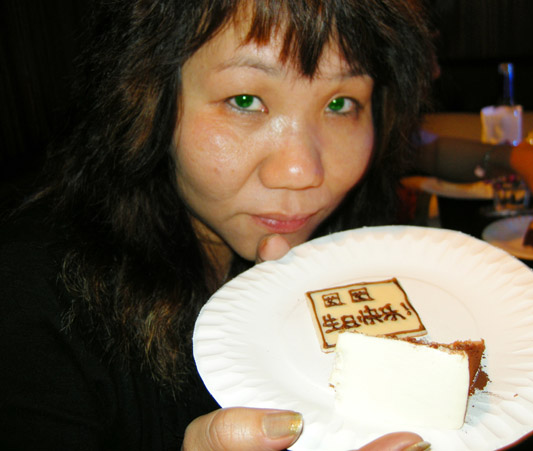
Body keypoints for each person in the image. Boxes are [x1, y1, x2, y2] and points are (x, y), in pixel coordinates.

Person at [0, 0, 436, 450]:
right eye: (244, 101)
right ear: (147, 95)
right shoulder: (29, 301)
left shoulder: (363, 260)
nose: (301, 171)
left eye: (341, 104)